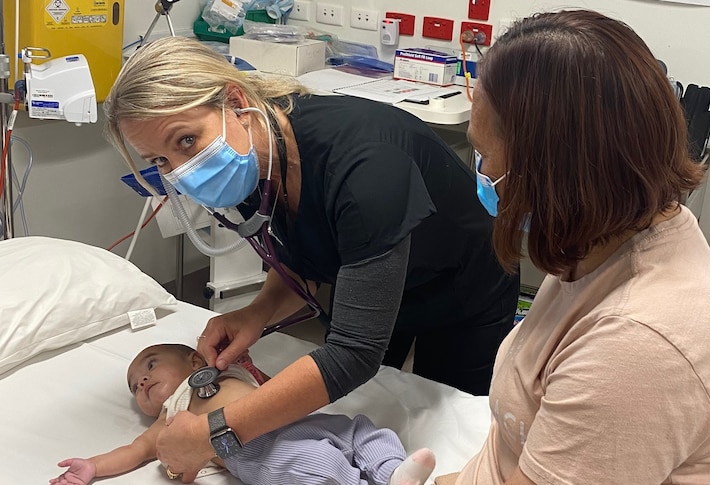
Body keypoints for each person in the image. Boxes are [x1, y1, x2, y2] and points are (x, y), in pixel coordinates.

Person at [103, 36, 519, 480]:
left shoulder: (365, 166)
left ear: (236, 101)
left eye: (186, 140)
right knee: (373, 406)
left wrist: (215, 432)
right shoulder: (250, 160)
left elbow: (353, 353)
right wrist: (258, 311)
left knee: (452, 424)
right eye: (161, 161)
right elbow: (302, 248)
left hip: (461, 283)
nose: (182, 171)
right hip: (363, 275)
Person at [436, 9, 710, 485]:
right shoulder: (605, 237)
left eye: (485, 154)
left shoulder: (637, 347)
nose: (483, 172)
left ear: (553, 173)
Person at [50, 344, 436, 485]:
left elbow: (274, 387)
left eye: (151, 364)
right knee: (315, 465)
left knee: (363, 430)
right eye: (135, 386)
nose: (144, 380)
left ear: (195, 360)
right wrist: (93, 467)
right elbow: (134, 451)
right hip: (261, 451)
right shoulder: (170, 421)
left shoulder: (226, 368)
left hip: (291, 419)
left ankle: (391, 473)